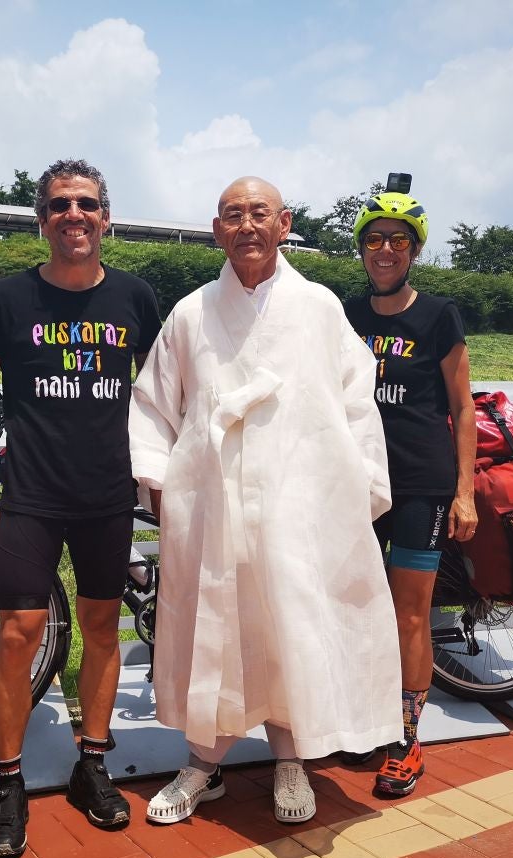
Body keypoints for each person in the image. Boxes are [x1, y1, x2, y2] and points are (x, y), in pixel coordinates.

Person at [128, 176, 402, 825]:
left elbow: (357, 404)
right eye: (232, 215)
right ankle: (201, 765)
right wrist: (162, 488)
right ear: (217, 229)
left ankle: (290, 759)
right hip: (211, 503)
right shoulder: (191, 313)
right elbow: (151, 403)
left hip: (299, 502)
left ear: (284, 224)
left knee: (292, 626)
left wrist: (360, 487)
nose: (246, 225)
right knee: (212, 631)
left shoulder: (321, 309)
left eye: (259, 213)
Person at [0, 159, 162, 858]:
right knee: (18, 634)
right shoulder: (7, 299)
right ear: (41, 220)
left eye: (86, 204)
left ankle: (92, 764)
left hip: (108, 494)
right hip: (32, 495)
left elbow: (167, 393)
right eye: (59, 206)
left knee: (102, 628)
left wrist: (166, 473)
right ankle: (8, 782)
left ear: (106, 217)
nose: (73, 215)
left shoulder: (136, 298)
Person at [342, 188, 477, 796]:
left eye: (399, 240)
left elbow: (462, 406)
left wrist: (465, 491)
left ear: (415, 250)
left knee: (409, 612)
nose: (386, 250)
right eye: (375, 239)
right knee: (356, 606)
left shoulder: (438, 315)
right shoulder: (346, 313)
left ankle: (407, 738)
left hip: (421, 484)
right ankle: (365, 722)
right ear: (362, 249)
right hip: (357, 485)